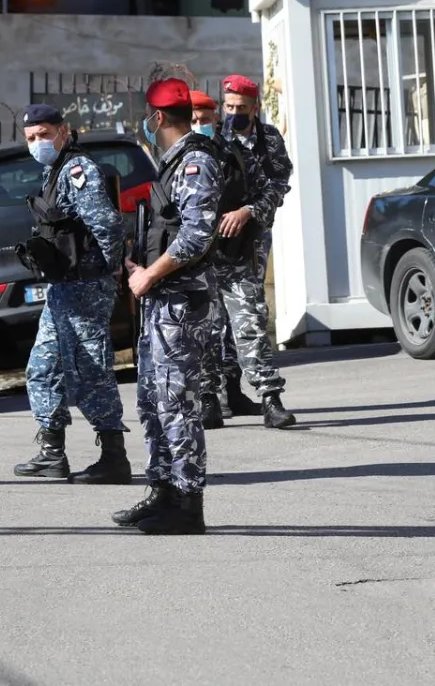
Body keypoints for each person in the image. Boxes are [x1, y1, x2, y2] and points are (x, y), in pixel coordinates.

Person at [111, 79, 222, 534]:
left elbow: (197, 235)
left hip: (180, 301)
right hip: (160, 300)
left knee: (178, 402)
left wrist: (149, 274)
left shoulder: (195, 162)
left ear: (157, 118)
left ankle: (187, 503)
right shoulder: (170, 163)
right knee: (153, 401)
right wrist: (142, 265)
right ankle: (161, 491)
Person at [11, 103, 133, 483]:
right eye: (31, 138)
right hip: (63, 287)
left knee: (89, 370)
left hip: (84, 286)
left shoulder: (78, 170)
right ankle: (51, 452)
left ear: (63, 131)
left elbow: (107, 224)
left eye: (44, 135)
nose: (38, 143)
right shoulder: (54, 171)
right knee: (43, 367)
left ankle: (114, 455)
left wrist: (110, 272)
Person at [218, 74, 296, 428]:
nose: (234, 113)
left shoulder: (268, 139)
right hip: (209, 244)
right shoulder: (212, 139)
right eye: (229, 107)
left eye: (241, 108)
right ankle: (221, 394)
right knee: (214, 322)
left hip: (249, 241)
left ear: (255, 108)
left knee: (249, 316)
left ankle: (269, 396)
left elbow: (280, 184)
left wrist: (249, 211)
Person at [188, 90, 262, 427]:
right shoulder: (177, 155)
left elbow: (261, 188)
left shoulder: (231, 150)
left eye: (205, 119)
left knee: (240, 324)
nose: (199, 125)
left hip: (234, 250)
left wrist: (245, 213)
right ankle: (209, 399)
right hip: (196, 258)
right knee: (205, 329)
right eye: (193, 119)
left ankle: (234, 391)